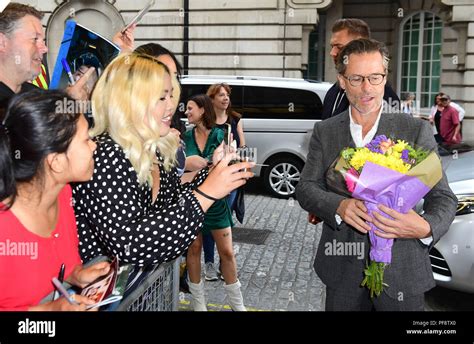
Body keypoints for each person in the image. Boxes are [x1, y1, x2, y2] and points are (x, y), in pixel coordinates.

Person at [72, 53, 254, 301]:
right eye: (161, 97)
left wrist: (213, 172)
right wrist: (207, 192)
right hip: (105, 303)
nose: (171, 105)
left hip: (141, 297)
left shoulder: (155, 149)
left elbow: (172, 203)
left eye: (171, 95)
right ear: (130, 101)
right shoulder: (107, 154)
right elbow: (129, 245)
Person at [296, 38, 457, 311]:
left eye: (375, 77)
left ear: (385, 78)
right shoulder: (325, 131)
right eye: (357, 78)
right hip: (342, 271)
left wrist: (426, 227)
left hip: (403, 272)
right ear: (342, 81)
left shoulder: (415, 130)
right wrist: (339, 206)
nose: (367, 88)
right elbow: (306, 188)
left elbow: (443, 197)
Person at [0, 90, 111, 311]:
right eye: (86, 139)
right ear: (57, 162)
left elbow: (60, 262)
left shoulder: (63, 194)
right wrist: (49, 310)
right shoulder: (4, 227)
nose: (94, 146)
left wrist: (76, 274)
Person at [183, 94, 246, 311]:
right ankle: (198, 304)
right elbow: (178, 169)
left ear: (202, 110)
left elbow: (230, 163)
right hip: (191, 201)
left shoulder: (222, 134)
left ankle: (238, 306)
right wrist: (186, 164)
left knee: (227, 252)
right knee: (194, 249)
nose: (186, 112)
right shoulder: (185, 136)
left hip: (216, 203)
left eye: (190, 108)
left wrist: (222, 159)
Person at [0, 3, 97, 108]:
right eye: (35, 39)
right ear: (2, 42)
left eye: (43, 40)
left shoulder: (37, 97)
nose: (45, 49)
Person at [321, 18, 399, 120]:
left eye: (339, 47)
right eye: (332, 46)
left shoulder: (384, 97)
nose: (332, 53)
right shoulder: (333, 91)